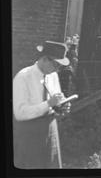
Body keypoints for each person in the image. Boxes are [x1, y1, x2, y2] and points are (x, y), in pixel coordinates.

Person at [13, 41, 72, 169]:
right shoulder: (23, 77)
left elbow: (55, 103)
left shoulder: (53, 76)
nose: (57, 69)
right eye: (56, 64)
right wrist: (48, 104)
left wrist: (61, 107)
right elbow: (19, 113)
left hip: (51, 131)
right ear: (45, 59)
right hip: (29, 134)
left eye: (60, 66)